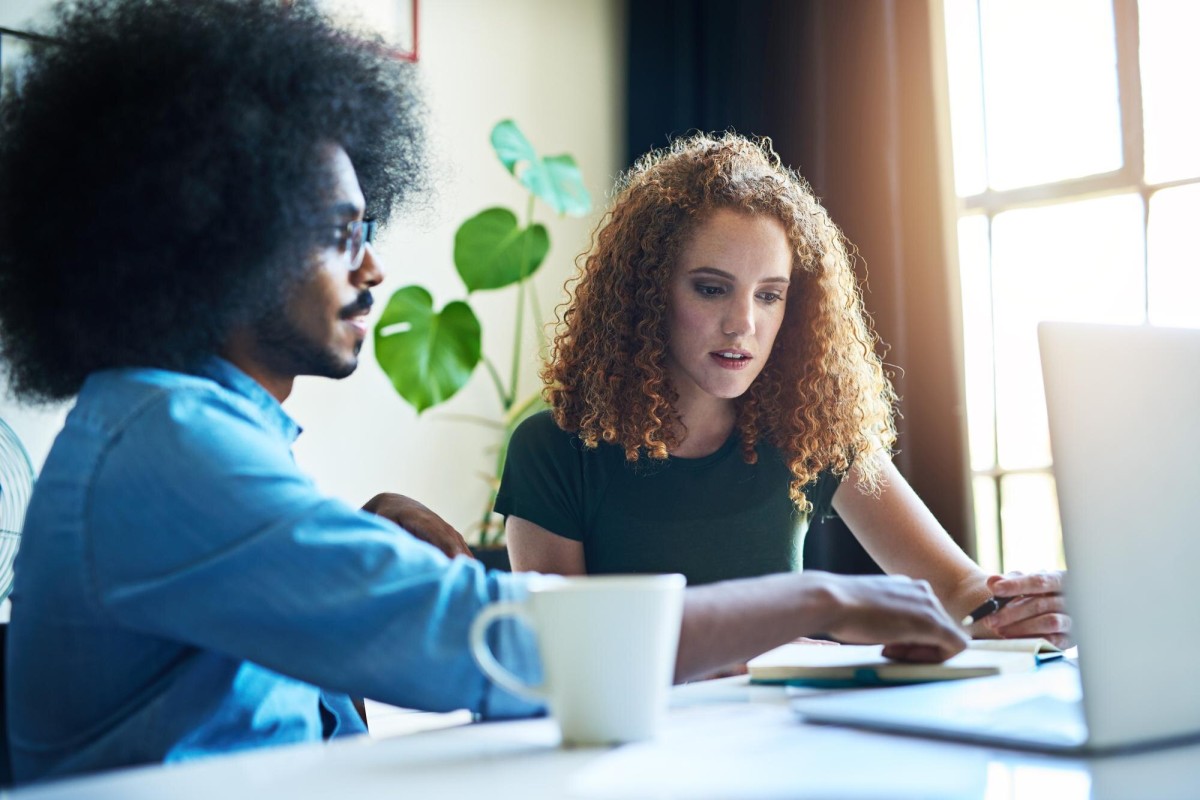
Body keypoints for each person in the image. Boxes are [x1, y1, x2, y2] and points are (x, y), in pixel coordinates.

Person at [0, 0, 969, 785]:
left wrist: (363, 548)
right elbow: (482, 642)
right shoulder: (169, 441)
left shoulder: (183, 429)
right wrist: (823, 594)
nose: (374, 266)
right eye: (339, 233)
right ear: (219, 234)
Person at [497, 133, 1070, 646]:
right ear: (646, 295)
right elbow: (563, 652)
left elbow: (960, 589)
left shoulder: (808, 429)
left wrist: (1034, 609)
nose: (743, 323)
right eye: (712, 289)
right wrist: (776, 639)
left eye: (769, 295)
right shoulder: (552, 450)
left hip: (783, 743)